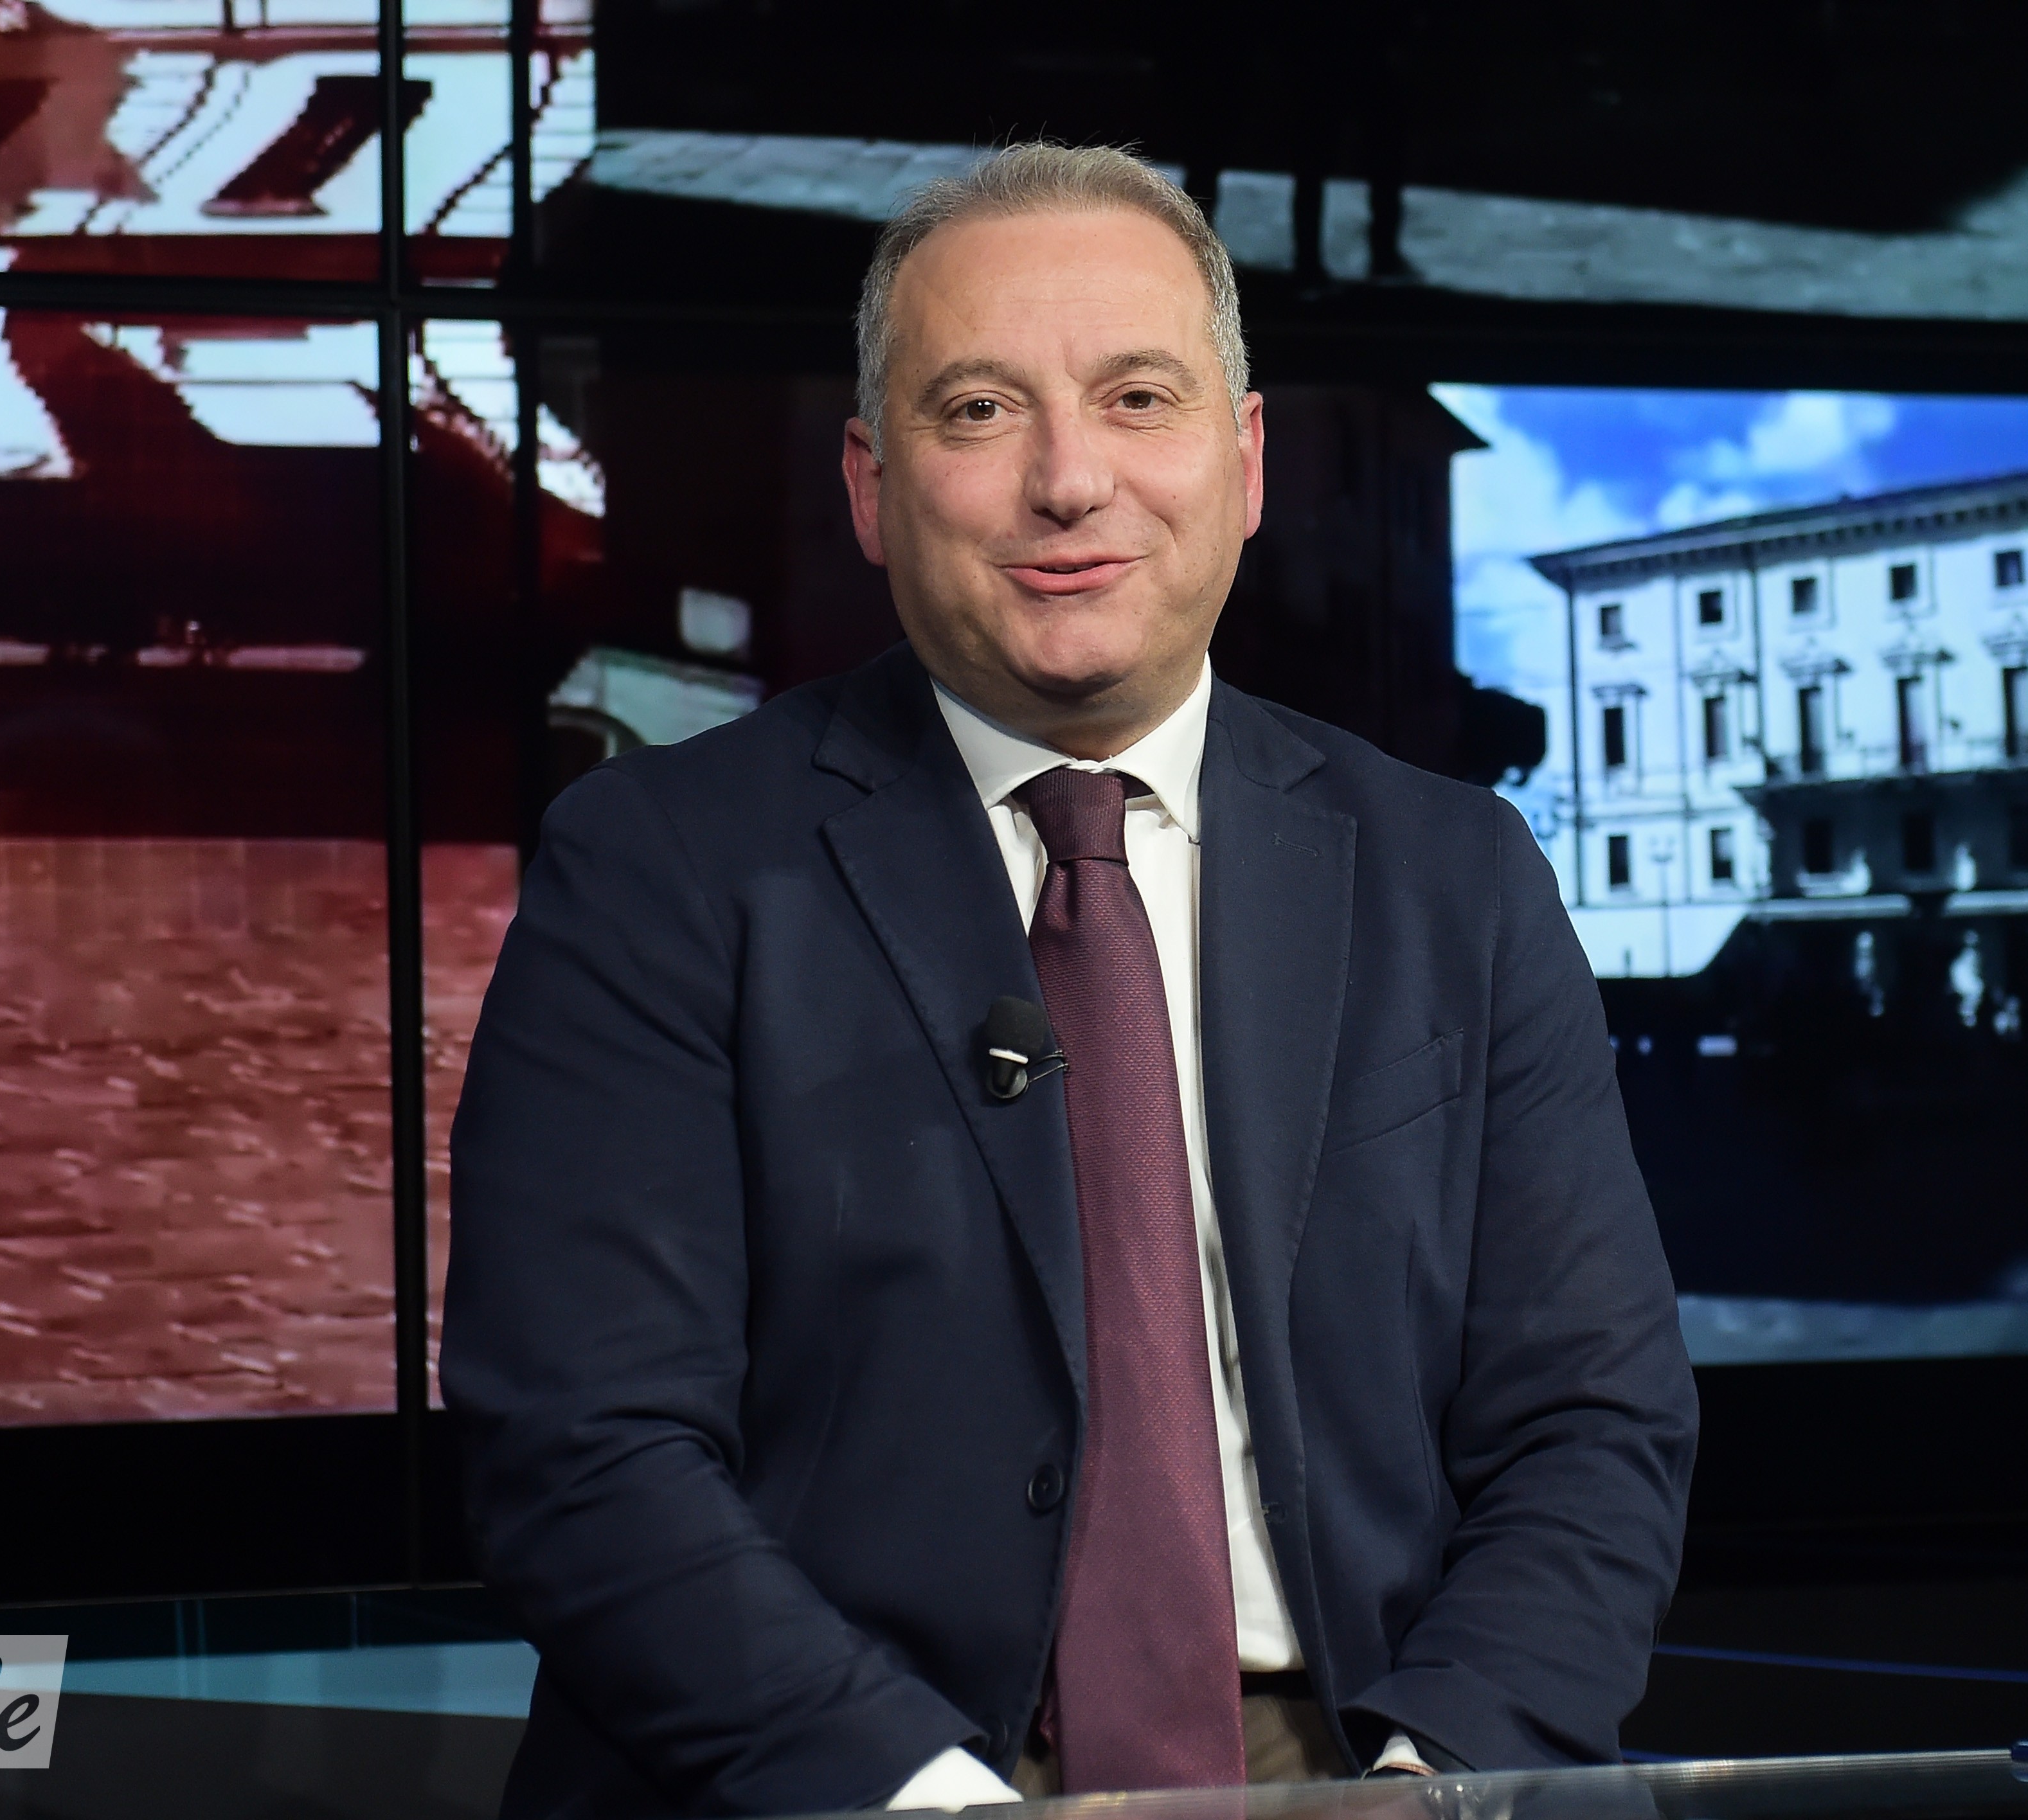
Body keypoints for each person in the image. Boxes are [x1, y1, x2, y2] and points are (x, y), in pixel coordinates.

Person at [442, 143, 1697, 1819]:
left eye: (1138, 400)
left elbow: (1593, 1424)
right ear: (871, 485)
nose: (1068, 480)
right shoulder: (657, 870)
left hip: (1352, 1757)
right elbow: (584, 1451)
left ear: (1244, 462)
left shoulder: (1456, 875)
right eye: (979, 411)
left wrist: (1437, 1783)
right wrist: (928, 1802)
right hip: (849, 1778)